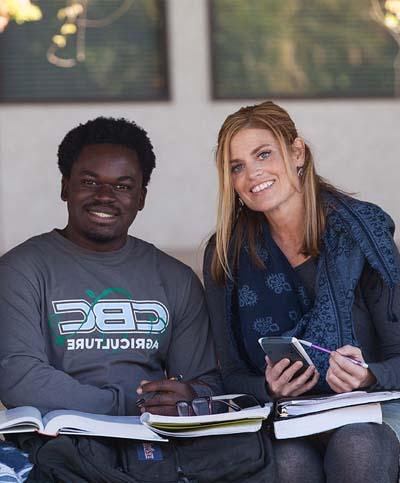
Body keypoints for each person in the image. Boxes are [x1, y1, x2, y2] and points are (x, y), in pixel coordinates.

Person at [0, 117, 223, 480]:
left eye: (122, 185)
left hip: (153, 445)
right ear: (65, 187)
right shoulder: (20, 269)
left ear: (141, 197)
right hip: (54, 447)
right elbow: (19, 377)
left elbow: (204, 382)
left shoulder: (174, 278)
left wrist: (186, 397)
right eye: (89, 182)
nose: (104, 196)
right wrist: (131, 404)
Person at [203, 100, 400, 483]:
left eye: (263, 154)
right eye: (236, 166)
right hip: (289, 417)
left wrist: (368, 376)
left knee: (358, 445)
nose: (252, 174)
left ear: (297, 152)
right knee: (289, 461)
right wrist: (267, 386)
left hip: (373, 414)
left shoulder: (362, 234)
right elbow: (228, 374)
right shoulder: (227, 252)